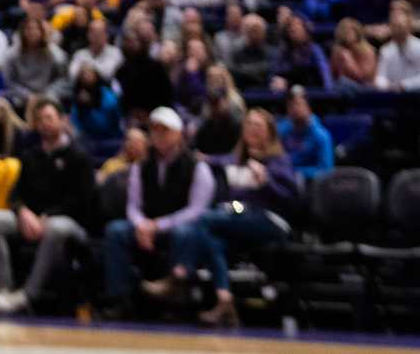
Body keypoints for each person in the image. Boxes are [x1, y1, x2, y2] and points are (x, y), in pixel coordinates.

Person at [166, 109, 300, 327]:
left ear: (270, 132)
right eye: (248, 124)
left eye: (258, 125)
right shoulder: (235, 161)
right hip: (241, 218)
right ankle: (224, 301)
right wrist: (202, 158)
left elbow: (293, 200)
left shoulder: (278, 160)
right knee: (212, 239)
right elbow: (218, 165)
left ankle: (180, 273)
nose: (252, 128)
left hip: (272, 220)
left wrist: (268, 182)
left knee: (206, 219)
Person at [0, 96, 97, 315]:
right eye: (41, 119)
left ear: (62, 121)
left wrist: (44, 217)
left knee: (55, 227)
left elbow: (82, 202)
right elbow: (14, 195)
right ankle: (4, 289)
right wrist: (22, 212)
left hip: (70, 224)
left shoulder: (79, 156)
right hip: (31, 220)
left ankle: (28, 295)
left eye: (50, 118)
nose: (45, 123)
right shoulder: (30, 155)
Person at [100, 107, 214, 317]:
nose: (159, 135)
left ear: (178, 134)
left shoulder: (198, 167)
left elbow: (197, 210)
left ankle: (175, 300)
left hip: (180, 227)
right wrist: (141, 224)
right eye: (155, 130)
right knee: (116, 231)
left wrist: (159, 225)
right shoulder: (140, 167)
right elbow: (133, 206)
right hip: (147, 226)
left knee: (185, 232)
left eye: (165, 130)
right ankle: (119, 298)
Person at [278, 86, 334, 179]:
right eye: (291, 105)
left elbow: (325, 171)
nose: (295, 109)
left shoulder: (321, 136)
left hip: (310, 184)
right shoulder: (281, 129)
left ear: (308, 107)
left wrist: (297, 172)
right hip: (284, 178)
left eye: (298, 104)